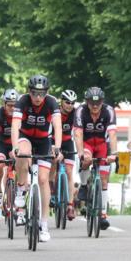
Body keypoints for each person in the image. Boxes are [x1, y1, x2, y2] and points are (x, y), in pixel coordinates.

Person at [10, 75, 62, 243]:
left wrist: (57, 146)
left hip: (44, 141)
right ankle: (20, 188)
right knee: (22, 153)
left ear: (46, 93)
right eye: (34, 94)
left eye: (42, 94)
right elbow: (15, 125)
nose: (38, 98)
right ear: (29, 92)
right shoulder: (22, 101)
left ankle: (44, 223)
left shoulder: (52, 102)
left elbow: (57, 126)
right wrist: (14, 146)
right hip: (25, 137)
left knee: (43, 179)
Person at [73, 87, 118, 231]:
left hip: (101, 144)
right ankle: (85, 185)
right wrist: (80, 153)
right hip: (86, 143)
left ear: (102, 102)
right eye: (91, 103)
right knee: (86, 159)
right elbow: (78, 134)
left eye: (98, 103)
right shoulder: (80, 111)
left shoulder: (109, 111)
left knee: (104, 180)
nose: (94, 106)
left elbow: (112, 134)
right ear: (86, 102)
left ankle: (103, 213)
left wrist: (114, 153)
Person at [51, 90, 78, 221]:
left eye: (72, 103)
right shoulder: (54, 110)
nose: (70, 105)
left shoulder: (75, 113)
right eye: (67, 102)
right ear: (61, 101)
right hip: (52, 140)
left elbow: (79, 130)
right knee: (51, 163)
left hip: (67, 142)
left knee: (69, 172)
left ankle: (70, 205)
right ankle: (51, 189)